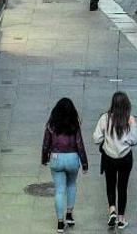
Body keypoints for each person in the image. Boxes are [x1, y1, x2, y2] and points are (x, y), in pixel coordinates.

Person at [41, 98, 89, 233]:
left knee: (59, 190)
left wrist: (44, 158)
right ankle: (69, 214)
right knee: (72, 185)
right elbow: (80, 144)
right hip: (72, 158)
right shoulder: (74, 125)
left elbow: (46, 143)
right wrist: (84, 163)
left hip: (56, 158)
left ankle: (60, 222)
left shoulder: (51, 125)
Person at [93, 92, 137, 229]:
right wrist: (133, 126)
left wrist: (105, 141)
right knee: (122, 186)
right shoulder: (129, 119)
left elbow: (96, 138)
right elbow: (134, 139)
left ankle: (112, 209)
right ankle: (121, 218)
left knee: (110, 184)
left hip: (109, 157)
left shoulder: (105, 118)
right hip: (125, 157)